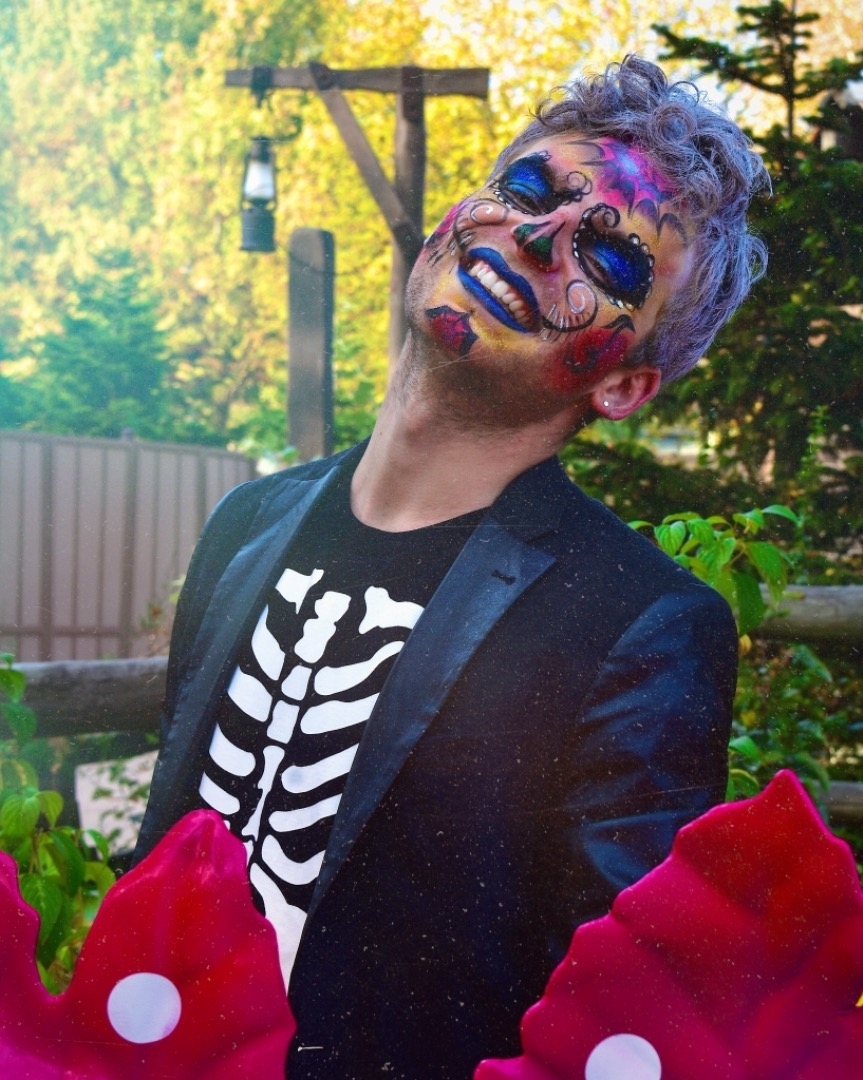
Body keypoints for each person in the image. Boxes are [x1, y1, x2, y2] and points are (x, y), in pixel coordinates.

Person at [135, 56, 768, 1079]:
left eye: (610, 259)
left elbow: (603, 1021)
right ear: (454, 214)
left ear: (623, 386)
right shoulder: (247, 523)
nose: (538, 236)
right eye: (527, 187)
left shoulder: (639, 624)